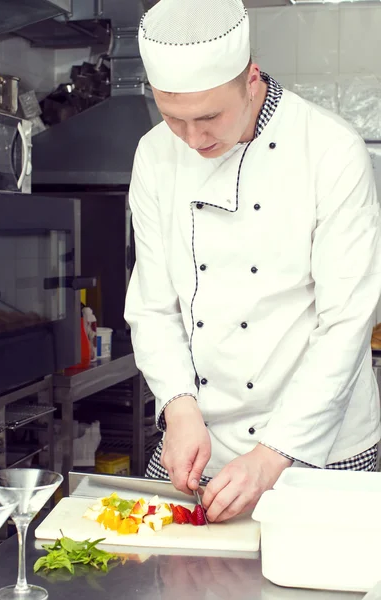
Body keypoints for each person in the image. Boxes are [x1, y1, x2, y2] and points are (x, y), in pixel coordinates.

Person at [124, 0, 381, 524]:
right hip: (200, 441)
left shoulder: (331, 150)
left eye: (209, 117)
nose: (194, 140)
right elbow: (153, 307)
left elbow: (345, 325)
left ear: (251, 78)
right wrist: (177, 407)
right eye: (174, 119)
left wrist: (270, 458)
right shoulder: (153, 155)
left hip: (320, 446)